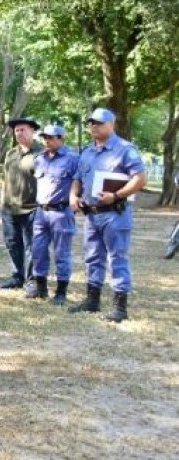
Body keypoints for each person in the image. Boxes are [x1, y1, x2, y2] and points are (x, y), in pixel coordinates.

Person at [69, 108, 147, 322]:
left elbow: (140, 179)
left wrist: (117, 195)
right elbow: (77, 178)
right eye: (91, 122)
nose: (94, 126)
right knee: (93, 257)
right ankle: (92, 301)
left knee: (117, 258)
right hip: (91, 215)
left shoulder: (125, 149)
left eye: (99, 122)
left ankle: (119, 308)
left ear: (111, 124)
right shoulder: (87, 151)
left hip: (115, 214)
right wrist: (73, 196)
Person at [25, 125, 78, 305]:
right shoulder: (40, 159)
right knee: (38, 251)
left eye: (51, 137)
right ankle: (41, 288)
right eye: (44, 137)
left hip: (61, 212)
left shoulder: (72, 159)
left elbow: (79, 183)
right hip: (41, 212)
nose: (47, 140)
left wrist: (75, 201)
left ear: (61, 138)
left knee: (62, 253)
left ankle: (61, 292)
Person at [0, 116, 41, 289]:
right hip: (9, 207)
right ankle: (17, 276)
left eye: (23, 129)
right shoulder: (10, 154)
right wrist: (2, 201)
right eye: (16, 130)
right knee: (12, 242)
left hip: (32, 207)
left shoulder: (41, 153)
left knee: (32, 246)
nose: (19, 133)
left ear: (32, 131)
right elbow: (4, 179)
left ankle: (31, 280)